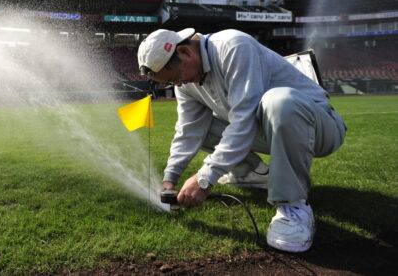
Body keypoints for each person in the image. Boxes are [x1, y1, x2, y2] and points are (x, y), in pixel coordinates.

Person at [137, 28, 346, 253]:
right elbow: (188, 131)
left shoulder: (233, 46)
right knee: (202, 127)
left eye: (175, 77)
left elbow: (244, 120)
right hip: (269, 130)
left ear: (185, 51)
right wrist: (170, 179)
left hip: (320, 129)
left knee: (279, 101)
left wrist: (204, 178)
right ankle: (250, 172)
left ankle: (293, 206)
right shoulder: (187, 84)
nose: (178, 84)